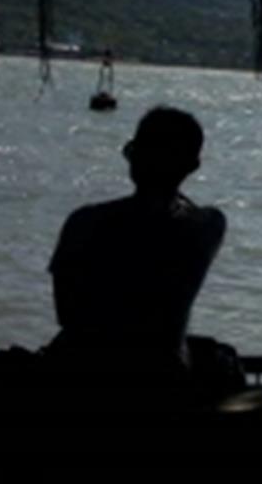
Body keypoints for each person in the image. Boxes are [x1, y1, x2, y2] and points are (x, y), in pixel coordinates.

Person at [44, 105, 232, 391]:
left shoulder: (84, 222)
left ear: (133, 156)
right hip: (164, 375)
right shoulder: (207, 226)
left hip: (83, 373)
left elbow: (66, 314)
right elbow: (183, 209)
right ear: (192, 166)